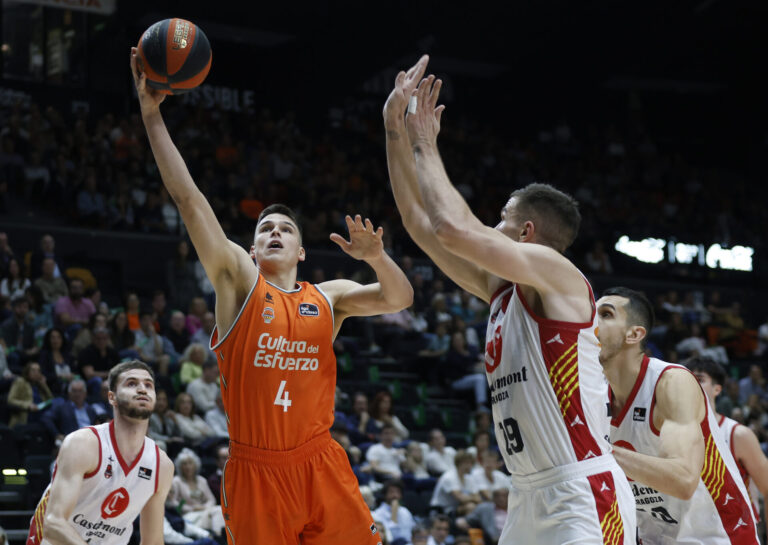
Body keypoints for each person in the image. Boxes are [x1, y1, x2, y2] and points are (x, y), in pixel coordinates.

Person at [133, 47, 413, 545]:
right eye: (265, 229)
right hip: (256, 469)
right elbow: (189, 201)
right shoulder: (239, 283)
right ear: (252, 249)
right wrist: (152, 116)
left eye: (285, 228)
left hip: (320, 461)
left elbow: (400, 298)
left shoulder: (329, 297)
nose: (275, 232)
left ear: (302, 250)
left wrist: (377, 257)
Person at [385, 55, 634, 544]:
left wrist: (424, 141)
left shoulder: (560, 275)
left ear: (526, 231)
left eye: (502, 217)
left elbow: (452, 228)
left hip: (582, 492)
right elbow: (418, 222)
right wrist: (394, 130)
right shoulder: (502, 291)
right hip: (525, 493)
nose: (492, 225)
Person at [598, 287, 759, 543]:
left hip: (717, 538)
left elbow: (683, 480)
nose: (591, 322)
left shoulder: (671, 382)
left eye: (605, 314)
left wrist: (598, 450)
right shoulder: (595, 395)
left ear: (634, 334)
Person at [26, 360, 174, 545]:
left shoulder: (162, 465)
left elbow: (153, 541)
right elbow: (53, 524)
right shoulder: (83, 443)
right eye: (131, 383)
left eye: (148, 385)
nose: (142, 389)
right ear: (112, 397)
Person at [687, 356, 768, 524]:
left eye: (700, 379)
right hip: (691, 531)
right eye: (688, 379)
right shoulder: (670, 433)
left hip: (737, 532)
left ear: (717, 389)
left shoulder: (738, 435)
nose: (692, 384)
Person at [166, 448, 224, 537]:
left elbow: (211, 499)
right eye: (184, 464)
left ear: (195, 464)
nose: (188, 466)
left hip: (205, 511)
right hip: (188, 515)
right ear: (180, 466)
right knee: (210, 516)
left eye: (190, 463)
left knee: (219, 509)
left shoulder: (202, 480)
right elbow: (173, 503)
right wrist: (192, 508)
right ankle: (217, 537)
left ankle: (218, 536)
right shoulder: (176, 481)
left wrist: (204, 507)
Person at [42, 379, 98, 444]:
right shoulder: (62, 408)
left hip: (91, 441)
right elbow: (46, 418)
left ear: (85, 393)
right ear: (69, 393)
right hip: (72, 442)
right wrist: (57, 434)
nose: (77, 394)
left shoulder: (90, 409)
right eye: (74, 391)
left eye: (80, 391)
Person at [7, 361, 53, 427]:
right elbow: (10, 400)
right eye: (33, 370)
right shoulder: (20, 381)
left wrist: (44, 385)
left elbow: (51, 399)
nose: (36, 373)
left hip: (41, 415)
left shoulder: (39, 385)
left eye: (38, 371)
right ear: (27, 372)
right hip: (26, 416)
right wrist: (28, 405)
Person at [373, 480, 416, 545]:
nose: (395, 495)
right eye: (391, 492)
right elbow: (388, 538)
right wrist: (394, 514)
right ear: (385, 494)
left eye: (398, 492)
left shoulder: (405, 511)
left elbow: (412, 531)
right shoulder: (377, 514)